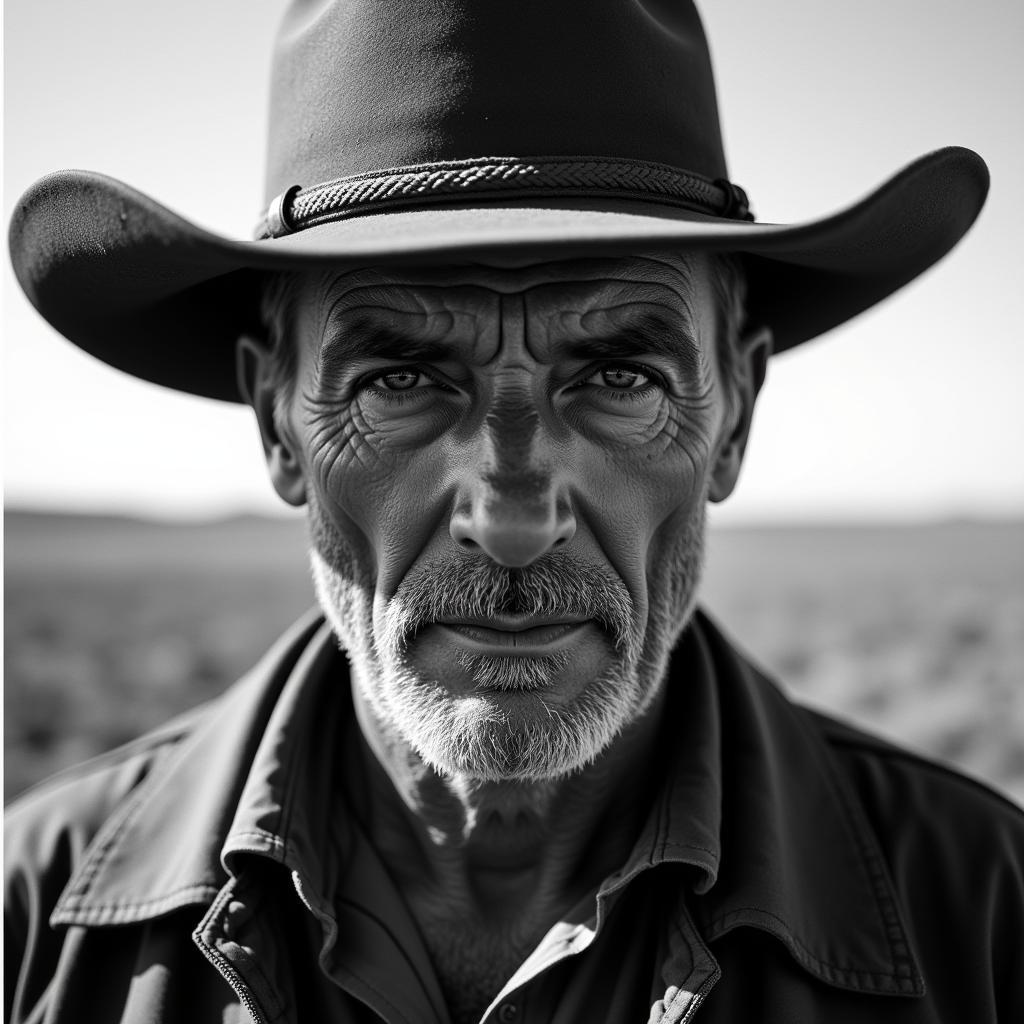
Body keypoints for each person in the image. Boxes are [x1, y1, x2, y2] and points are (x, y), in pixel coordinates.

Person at [5, 1, 1022, 1022]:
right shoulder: (29, 916)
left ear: (733, 417)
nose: (512, 518)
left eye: (619, 374)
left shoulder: (983, 919)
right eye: (400, 379)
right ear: (278, 424)